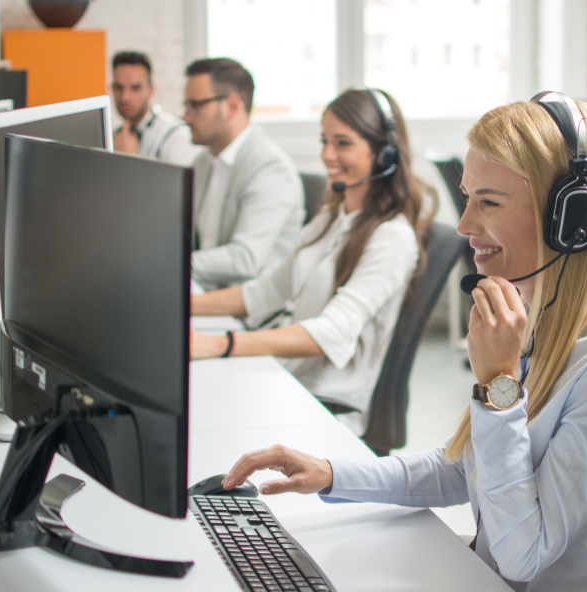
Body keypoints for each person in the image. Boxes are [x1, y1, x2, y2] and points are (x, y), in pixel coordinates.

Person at [214, 96, 587, 592]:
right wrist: (333, 473)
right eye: (468, 198)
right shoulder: (541, 315)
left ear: (570, 218)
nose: (464, 226)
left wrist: (498, 385)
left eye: (488, 202)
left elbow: (521, 550)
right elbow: (464, 466)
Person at [191, 88, 435, 436]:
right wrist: (182, 305)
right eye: (324, 141)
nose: (327, 155)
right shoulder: (331, 218)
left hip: (323, 409)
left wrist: (221, 344)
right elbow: (265, 292)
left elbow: (330, 332)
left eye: (342, 143)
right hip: (286, 380)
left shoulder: (391, 238)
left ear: (385, 155)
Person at [185, 58, 304, 289]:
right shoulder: (203, 162)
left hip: (248, 313)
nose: (186, 116)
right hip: (208, 293)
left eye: (194, 105)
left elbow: (245, 259)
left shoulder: (270, 168)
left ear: (232, 106)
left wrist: (174, 264)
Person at [110, 51, 200, 166]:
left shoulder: (176, 136)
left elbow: (176, 184)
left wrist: (130, 161)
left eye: (135, 88)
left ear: (151, 91)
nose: (125, 97)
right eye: (119, 88)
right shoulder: (113, 137)